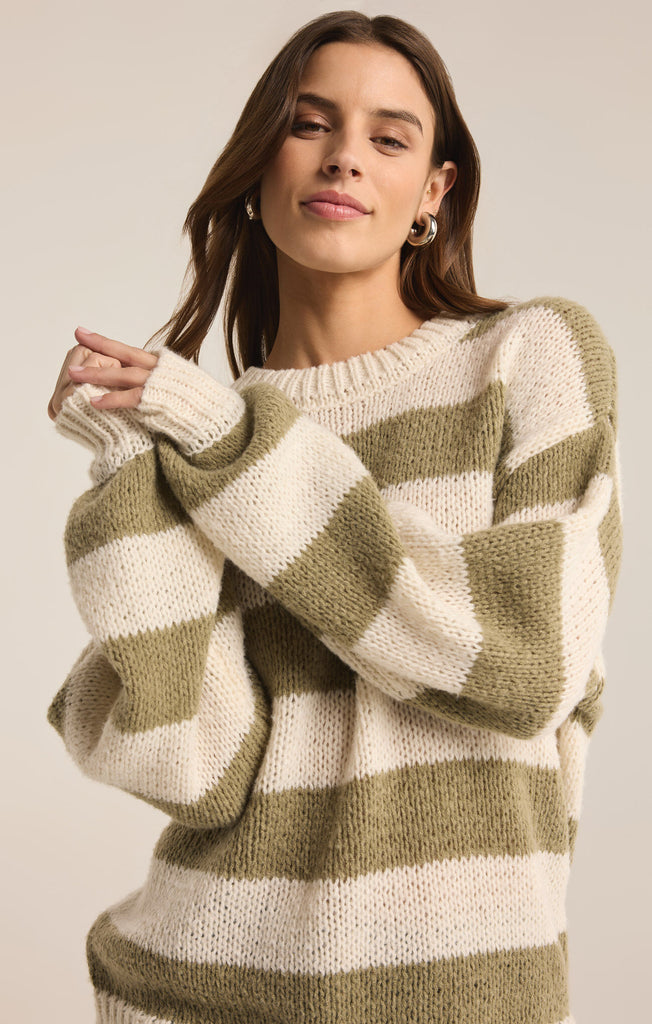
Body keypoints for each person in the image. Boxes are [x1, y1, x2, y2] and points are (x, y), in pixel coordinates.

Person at [46, 11, 623, 1024]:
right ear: (259, 163)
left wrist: (231, 444)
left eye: (389, 137)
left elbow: (526, 661)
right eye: (309, 124)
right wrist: (128, 463)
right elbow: (191, 764)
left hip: (466, 992)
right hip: (203, 986)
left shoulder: (530, 356)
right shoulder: (194, 431)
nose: (345, 156)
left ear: (433, 190)